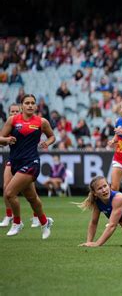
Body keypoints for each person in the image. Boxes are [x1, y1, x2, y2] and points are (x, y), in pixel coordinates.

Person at [0, 94, 55, 239]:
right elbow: (0, 138)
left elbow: (52, 136)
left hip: (31, 163)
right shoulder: (13, 120)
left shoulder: (41, 122)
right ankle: (45, 222)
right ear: (21, 106)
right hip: (16, 163)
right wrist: (6, 139)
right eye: (27, 103)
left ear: (36, 106)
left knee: (9, 193)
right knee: (32, 198)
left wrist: (47, 143)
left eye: (32, 103)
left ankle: (17, 222)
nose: (30, 105)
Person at [0, 104, 40, 228]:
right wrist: (5, 141)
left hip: (27, 161)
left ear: (21, 111)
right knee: (7, 187)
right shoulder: (10, 124)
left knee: (31, 194)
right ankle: (9, 215)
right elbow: (2, 139)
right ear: (9, 112)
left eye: (16, 111)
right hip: (14, 160)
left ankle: (36, 216)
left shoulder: (25, 123)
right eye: (12, 111)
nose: (14, 113)